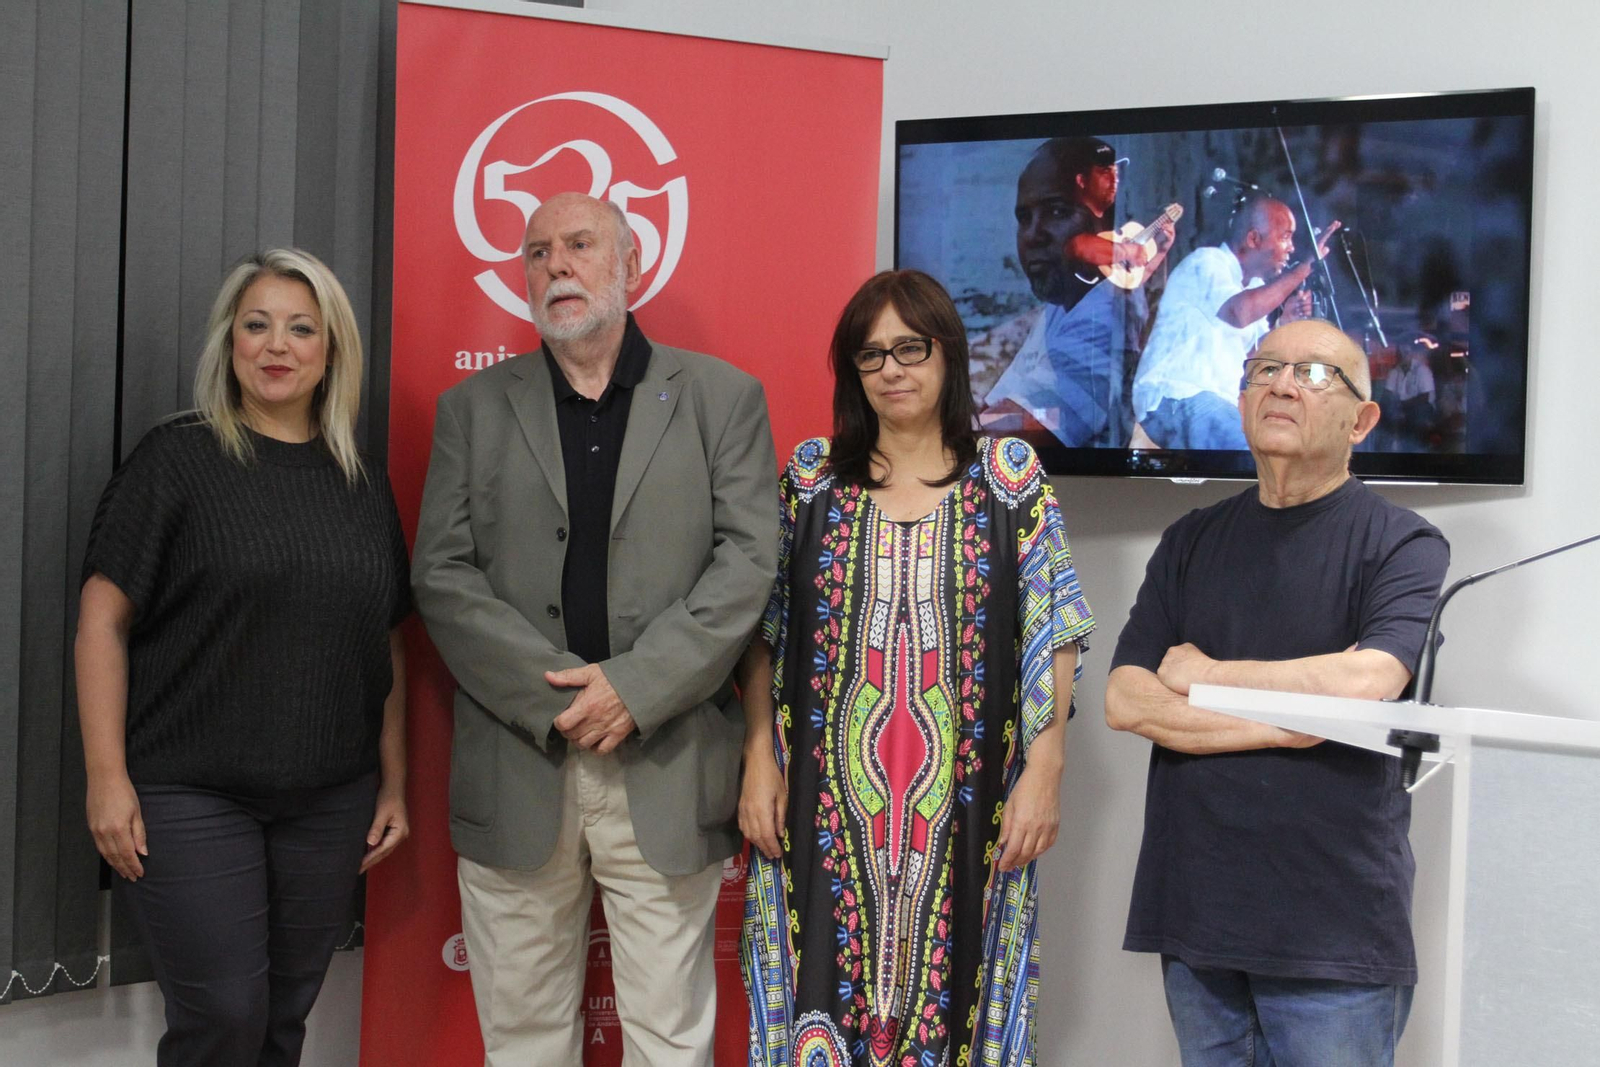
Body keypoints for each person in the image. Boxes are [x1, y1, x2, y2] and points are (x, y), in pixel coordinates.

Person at [410, 192, 778, 1066]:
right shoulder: (471, 409)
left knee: (668, 1040)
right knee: (525, 1041)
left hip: (665, 761)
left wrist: (635, 687)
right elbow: (441, 574)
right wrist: (562, 698)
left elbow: (747, 565)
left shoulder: (722, 399)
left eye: (579, 244)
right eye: (538, 252)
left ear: (632, 265)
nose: (556, 266)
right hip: (520, 759)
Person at [740, 269, 1095, 1066]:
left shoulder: (1009, 478)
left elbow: (1054, 626)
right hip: (819, 807)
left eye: (910, 347)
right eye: (871, 355)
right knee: (815, 995)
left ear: (947, 354)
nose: (892, 369)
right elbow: (763, 632)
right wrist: (758, 753)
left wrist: (1045, 770)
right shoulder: (809, 480)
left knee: (962, 1004)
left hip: (971, 807)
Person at [75, 249, 412, 1067]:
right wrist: (106, 776)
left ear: (331, 351)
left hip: (329, 800)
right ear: (229, 343)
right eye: (255, 325)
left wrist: (394, 779)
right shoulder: (177, 461)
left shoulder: (361, 482)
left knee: (281, 1020)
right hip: (189, 791)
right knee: (223, 1015)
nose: (276, 345)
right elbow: (100, 623)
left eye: (301, 328)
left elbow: (386, 637)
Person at [1105, 319, 1451, 1066]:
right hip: (1197, 915)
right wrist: (1296, 721)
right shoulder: (1190, 540)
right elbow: (1127, 699)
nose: (1285, 383)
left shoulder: (1403, 542)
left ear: (1363, 419)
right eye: (1265, 368)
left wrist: (1205, 677)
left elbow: (1370, 680)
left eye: (1316, 373)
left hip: (1335, 931)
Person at [984, 136, 1177, 447]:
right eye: (1024, 218)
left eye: (1058, 212)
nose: (1033, 235)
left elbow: (1029, 422)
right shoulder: (1067, 297)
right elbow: (1001, 413)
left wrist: (961, 428)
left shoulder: (1105, 315)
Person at [1131, 196, 1340, 450]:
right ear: (1253, 239)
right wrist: (1304, 269)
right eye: (1285, 237)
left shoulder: (1254, 287)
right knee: (1253, 454)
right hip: (1173, 397)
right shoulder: (1207, 262)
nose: (1292, 248)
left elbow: (1253, 357)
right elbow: (1239, 312)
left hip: (1212, 405)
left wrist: (1283, 324)